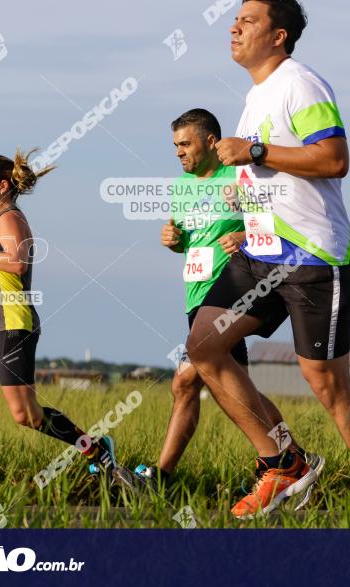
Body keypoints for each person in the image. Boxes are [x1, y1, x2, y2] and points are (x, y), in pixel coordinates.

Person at [187, 0, 347, 518]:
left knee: (325, 380)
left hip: (309, 255)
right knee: (204, 347)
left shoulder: (300, 83)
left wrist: (254, 154)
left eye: (247, 20)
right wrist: (245, 193)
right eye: (234, 20)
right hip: (258, 255)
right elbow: (266, 170)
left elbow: (334, 159)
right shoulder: (256, 96)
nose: (233, 26)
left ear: (278, 35)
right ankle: (283, 461)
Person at [134, 109, 322, 500]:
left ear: (211, 141)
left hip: (236, 292)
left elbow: (277, 220)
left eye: (185, 144)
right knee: (234, 387)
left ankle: (160, 479)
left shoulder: (237, 174)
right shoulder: (181, 187)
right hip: (197, 296)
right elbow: (190, 239)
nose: (179, 153)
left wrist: (242, 233)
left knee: (187, 380)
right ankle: (294, 459)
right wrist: (173, 240)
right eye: (175, 146)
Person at [0, 148, 126, 499]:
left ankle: (95, 448)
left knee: (26, 415)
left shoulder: (10, 219)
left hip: (14, 325)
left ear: (2, 185)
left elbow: (18, 263)